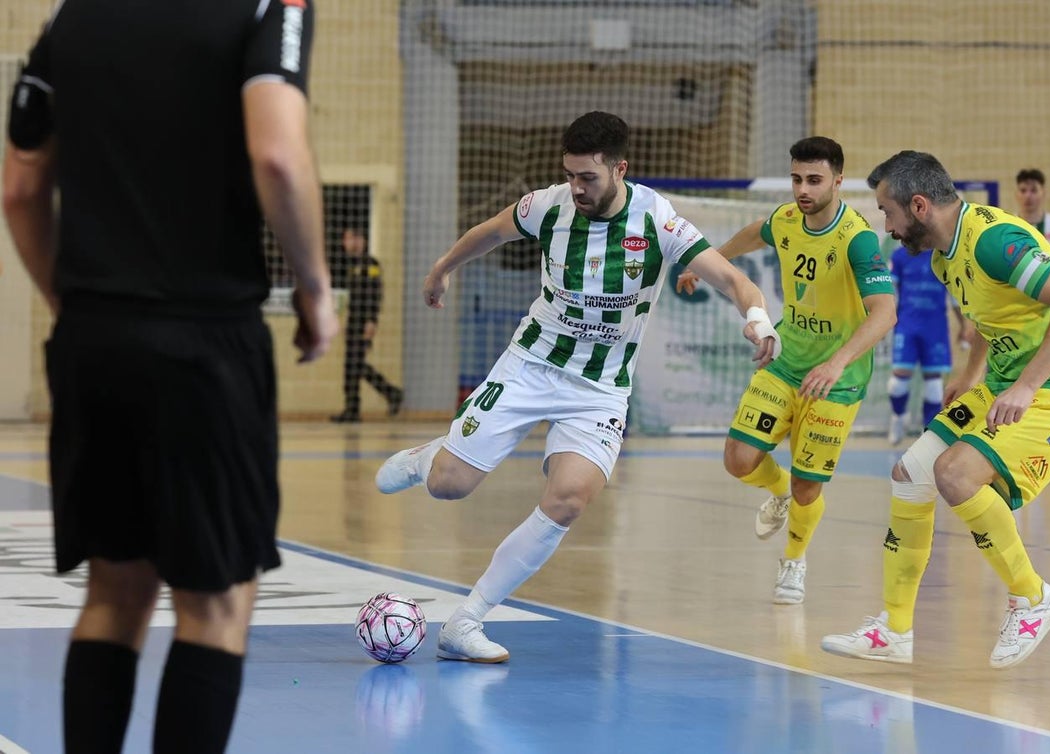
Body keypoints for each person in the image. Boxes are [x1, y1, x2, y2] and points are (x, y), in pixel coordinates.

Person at [2, 2, 337, 752]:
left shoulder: (74, 15)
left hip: (93, 340)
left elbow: (21, 183)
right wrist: (314, 287)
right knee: (214, 606)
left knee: (113, 594)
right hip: (204, 342)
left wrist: (68, 297)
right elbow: (277, 152)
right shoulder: (268, 6)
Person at [375, 111, 778, 663]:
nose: (576, 186)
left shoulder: (656, 219)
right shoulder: (548, 206)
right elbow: (489, 232)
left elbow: (734, 279)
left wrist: (758, 319)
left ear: (620, 168)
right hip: (532, 365)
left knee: (568, 501)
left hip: (601, 388)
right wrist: (442, 267)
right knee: (450, 486)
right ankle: (429, 459)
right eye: (569, 174)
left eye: (588, 177)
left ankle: (465, 623)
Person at [821, 151, 1050, 669]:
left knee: (954, 474)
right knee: (910, 472)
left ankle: (1033, 598)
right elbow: (990, 319)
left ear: (918, 205)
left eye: (887, 213)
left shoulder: (996, 241)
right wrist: (972, 375)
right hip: (1004, 382)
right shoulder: (940, 257)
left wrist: (1024, 387)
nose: (886, 227)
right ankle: (895, 629)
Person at [677, 137, 897, 605]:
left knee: (807, 484)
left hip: (838, 380)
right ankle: (775, 492)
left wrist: (837, 364)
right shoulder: (787, 219)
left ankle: (794, 561)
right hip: (787, 362)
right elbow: (758, 231)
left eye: (814, 180)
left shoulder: (857, 239)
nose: (803, 189)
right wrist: (711, 261)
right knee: (738, 460)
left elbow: (885, 313)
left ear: (838, 181)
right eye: (797, 179)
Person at [886, 244, 975, 445]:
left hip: (934, 329)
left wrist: (964, 326)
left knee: (934, 384)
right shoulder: (899, 256)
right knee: (898, 381)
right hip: (906, 327)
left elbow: (953, 298)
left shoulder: (943, 257)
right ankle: (898, 415)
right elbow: (890, 294)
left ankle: (927, 433)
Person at [331, 225, 404, 422]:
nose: (346, 243)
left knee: (356, 364)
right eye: (345, 239)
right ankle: (353, 409)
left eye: (349, 238)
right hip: (355, 320)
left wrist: (371, 321)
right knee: (353, 365)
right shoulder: (353, 266)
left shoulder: (369, 264)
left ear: (360, 240)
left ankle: (390, 393)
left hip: (364, 321)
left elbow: (374, 294)